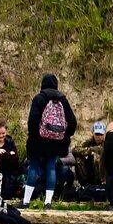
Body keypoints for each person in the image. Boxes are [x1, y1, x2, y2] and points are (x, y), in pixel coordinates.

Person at [22, 73, 77, 208]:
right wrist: (65, 136)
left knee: (33, 166)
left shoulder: (39, 98)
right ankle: (48, 202)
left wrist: (34, 136)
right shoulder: (63, 100)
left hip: (39, 140)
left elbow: (33, 120)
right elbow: (72, 121)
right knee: (51, 167)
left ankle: (26, 201)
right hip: (56, 142)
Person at [71, 122, 107, 188]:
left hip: (103, 172)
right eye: (97, 134)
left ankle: (99, 184)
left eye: (101, 134)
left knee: (97, 157)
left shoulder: (107, 143)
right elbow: (74, 150)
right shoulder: (89, 142)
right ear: (93, 133)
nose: (99, 137)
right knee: (78, 159)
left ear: (104, 134)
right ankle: (84, 185)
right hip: (89, 169)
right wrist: (89, 151)